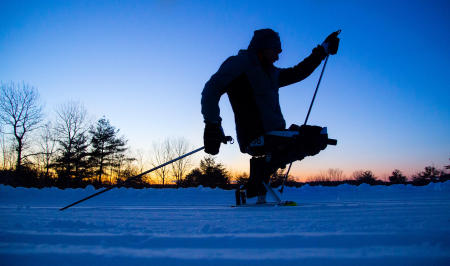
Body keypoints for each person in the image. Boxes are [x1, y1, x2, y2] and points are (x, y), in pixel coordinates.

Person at [201, 29, 340, 203]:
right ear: (263, 47)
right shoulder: (240, 64)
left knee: (317, 137)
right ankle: (256, 182)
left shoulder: (272, 73)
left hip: (275, 133)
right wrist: (212, 124)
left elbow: (299, 72)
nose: (279, 54)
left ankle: (256, 186)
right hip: (255, 135)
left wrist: (322, 51)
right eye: (276, 49)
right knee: (311, 138)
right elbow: (211, 89)